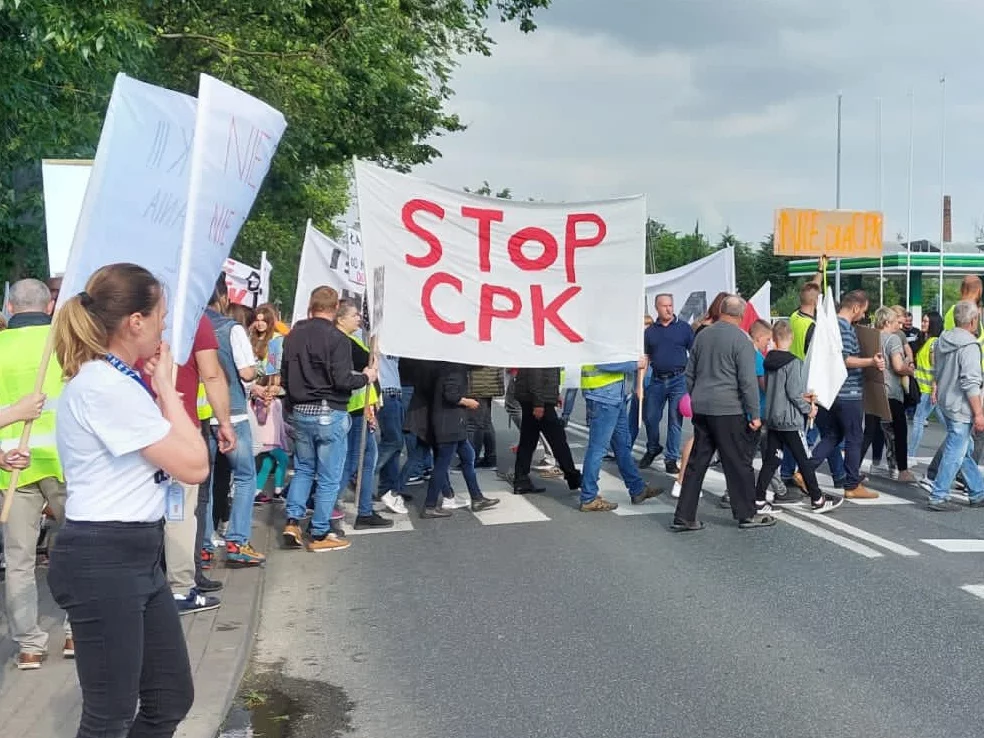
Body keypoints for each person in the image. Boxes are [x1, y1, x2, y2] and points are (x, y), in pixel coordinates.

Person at [48, 263, 208, 736]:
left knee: (170, 699)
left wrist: (159, 388)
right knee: (109, 715)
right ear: (135, 322)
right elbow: (194, 464)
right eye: (160, 314)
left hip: (136, 553)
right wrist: (167, 390)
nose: (164, 325)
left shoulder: (117, 382)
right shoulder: (104, 387)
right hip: (103, 556)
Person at [138, 313, 235, 611]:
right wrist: (225, 423)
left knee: (140, 508)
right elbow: (212, 374)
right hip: (178, 428)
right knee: (178, 509)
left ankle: (140, 583)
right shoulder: (193, 318)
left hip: (135, 427)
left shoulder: (129, 316)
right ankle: (180, 588)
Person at [0, 279, 71, 670]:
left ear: (10, 307)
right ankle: (77, 630)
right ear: (49, 308)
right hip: (64, 463)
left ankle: (29, 643)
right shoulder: (63, 345)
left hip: (14, 464)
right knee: (78, 549)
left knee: (19, 559)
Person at [281, 287, 377, 551]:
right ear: (335, 309)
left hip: (300, 410)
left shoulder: (293, 336)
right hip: (329, 411)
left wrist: (290, 407)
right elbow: (343, 380)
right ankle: (320, 532)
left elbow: (285, 376)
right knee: (328, 476)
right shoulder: (337, 339)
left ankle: (293, 520)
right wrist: (366, 377)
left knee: (303, 469)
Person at [672, 296, 774, 531]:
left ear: (720, 310)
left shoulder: (703, 335)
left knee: (697, 463)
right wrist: (754, 415)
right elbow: (747, 382)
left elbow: (689, 374)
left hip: (702, 408)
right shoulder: (742, 340)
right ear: (741, 316)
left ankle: (684, 516)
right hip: (729, 409)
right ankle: (747, 514)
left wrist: (697, 397)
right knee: (738, 463)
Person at [205, 279, 266, 566]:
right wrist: (256, 371)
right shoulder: (232, 329)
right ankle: (237, 541)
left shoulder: (187, 327)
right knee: (244, 477)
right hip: (232, 414)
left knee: (203, 481)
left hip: (200, 415)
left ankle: (203, 545)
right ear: (224, 296)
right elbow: (245, 372)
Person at [756, 320, 842, 514]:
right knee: (804, 459)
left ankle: (759, 498)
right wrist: (808, 408)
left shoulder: (768, 360)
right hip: (790, 420)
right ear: (792, 338)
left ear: (774, 339)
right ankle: (817, 498)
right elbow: (794, 393)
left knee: (771, 460)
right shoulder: (793, 362)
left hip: (773, 417)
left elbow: (779, 391)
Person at [807, 290, 883, 499]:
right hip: (848, 392)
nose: (863, 316)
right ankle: (851, 484)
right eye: (864, 311)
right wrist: (871, 362)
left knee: (833, 435)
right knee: (854, 438)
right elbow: (845, 359)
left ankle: (805, 470)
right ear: (856, 307)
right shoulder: (844, 328)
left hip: (831, 392)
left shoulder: (831, 326)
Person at [336, 300, 393, 529]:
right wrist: (375, 349)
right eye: (354, 315)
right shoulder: (345, 342)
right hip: (356, 407)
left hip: (362, 406)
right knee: (355, 460)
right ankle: (329, 505)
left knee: (366, 458)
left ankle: (363, 510)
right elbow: (370, 363)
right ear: (341, 319)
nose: (358, 319)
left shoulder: (348, 339)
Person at [578, 357, 661, 512]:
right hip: (603, 396)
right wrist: (635, 364)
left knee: (623, 446)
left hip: (614, 396)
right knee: (598, 449)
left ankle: (637, 489)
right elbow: (605, 362)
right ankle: (588, 497)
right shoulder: (601, 336)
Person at [420, 362, 501, 517]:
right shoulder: (455, 369)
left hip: (452, 422)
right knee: (442, 464)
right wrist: (467, 402)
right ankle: (429, 505)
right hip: (449, 423)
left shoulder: (449, 367)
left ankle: (477, 498)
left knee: (468, 456)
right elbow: (450, 395)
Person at [926, 301, 984, 511]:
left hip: (946, 401)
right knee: (955, 451)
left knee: (962, 449)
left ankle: (978, 491)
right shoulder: (969, 346)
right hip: (962, 406)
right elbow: (970, 382)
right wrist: (979, 413)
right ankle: (939, 495)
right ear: (973, 320)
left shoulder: (944, 339)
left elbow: (936, 368)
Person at [640, 293, 693, 473]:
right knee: (650, 417)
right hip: (657, 378)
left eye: (671, 305)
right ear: (657, 308)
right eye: (664, 306)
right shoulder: (650, 332)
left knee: (674, 420)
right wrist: (640, 385)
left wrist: (692, 379)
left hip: (679, 379)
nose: (669, 309)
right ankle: (653, 447)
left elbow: (693, 354)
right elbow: (645, 358)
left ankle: (671, 458)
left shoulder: (684, 329)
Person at [861, 307, 915, 483]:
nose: (898, 326)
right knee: (900, 429)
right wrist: (910, 370)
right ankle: (903, 470)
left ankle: (853, 467)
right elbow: (898, 366)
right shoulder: (892, 339)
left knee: (869, 431)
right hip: (890, 391)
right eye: (895, 323)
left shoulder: (870, 337)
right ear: (886, 323)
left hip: (871, 388)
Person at [511, 367, 581, 494]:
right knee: (558, 439)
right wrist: (538, 404)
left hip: (533, 397)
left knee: (528, 440)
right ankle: (573, 476)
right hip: (538, 399)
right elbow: (535, 374)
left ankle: (521, 480)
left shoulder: (542, 347)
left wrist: (554, 394)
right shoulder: (541, 348)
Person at [375, 353, 409, 515]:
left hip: (394, 392)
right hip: (384, 392)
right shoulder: (371, 335)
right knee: (393, 441)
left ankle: (389, 489)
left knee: (394, 445)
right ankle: (363, 473)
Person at [909, 311, 944, 456]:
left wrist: (934, 388)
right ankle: (966, 443)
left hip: (928, 390)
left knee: (918, 421)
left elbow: (937, 367)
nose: (923, 323)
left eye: (926, 321)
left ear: (933, 324)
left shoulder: (933, 343)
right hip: (926, 390)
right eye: (923, 321)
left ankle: (910, 455)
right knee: (949, 423)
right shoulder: (926, 341)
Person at [466, 365, 504, 469]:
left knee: (472, 424)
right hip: (488, 382)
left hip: (477, 384)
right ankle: (490, 458)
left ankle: (471, 459)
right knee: (485, 422)